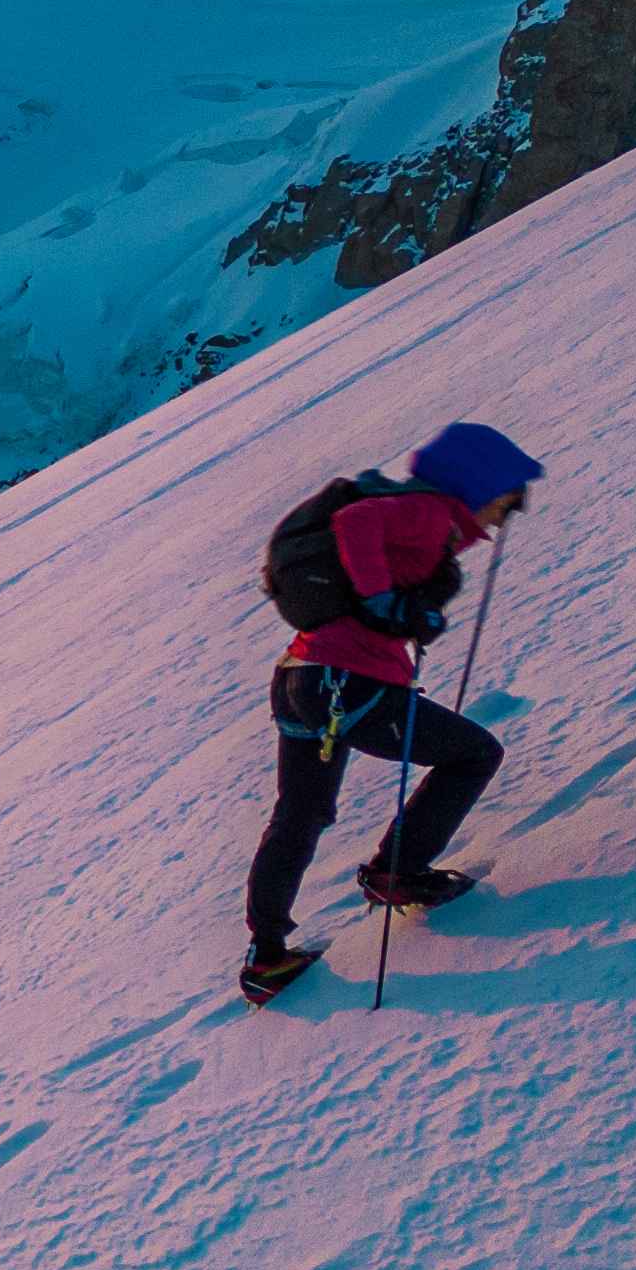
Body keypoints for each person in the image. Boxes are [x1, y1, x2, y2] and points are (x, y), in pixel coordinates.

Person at [241, 421, 543, 998]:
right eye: (507, 499)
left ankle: (266, 955)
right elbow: (355, 523)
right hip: (349, 684)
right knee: (474, 754)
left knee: (300, 815)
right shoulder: (428, 512)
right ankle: (397, 873)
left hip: (303, 678)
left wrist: (404, 609)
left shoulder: (428, 523)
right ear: (480, 484)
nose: (506, 516)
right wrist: (385, 602)